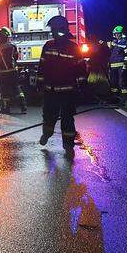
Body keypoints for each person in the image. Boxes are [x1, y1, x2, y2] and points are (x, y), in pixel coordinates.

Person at [37, 16, 88, 152]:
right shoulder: (48, 46)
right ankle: (47, 134)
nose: (53, 32)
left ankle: (68, 145)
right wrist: (39, 83)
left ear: (60, 30)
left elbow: (81, 70)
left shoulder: (73, 48)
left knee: (67, 119)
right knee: (49, 117)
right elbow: (42, 67)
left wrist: (83, 86)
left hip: (67, 92)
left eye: (54, 30)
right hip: (51, 91)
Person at [0, 27, 27, 114]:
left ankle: (6, 108)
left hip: (3, 73)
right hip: (13, 71)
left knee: (4, 91)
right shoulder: (13, 46)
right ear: (7, 36)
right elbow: (16, 57)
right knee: (16, 88)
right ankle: (23, 106)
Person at [103, 25, 127, 104]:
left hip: (121, 66)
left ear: (121, 33)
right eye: (115, 34)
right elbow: (109, 49)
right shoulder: (114, 42)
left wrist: (125, 66)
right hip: (113, 66)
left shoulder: (125, 42)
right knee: (113, 83)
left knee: (122, 82)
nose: (116, 35)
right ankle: (114, 98)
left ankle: (124, 99)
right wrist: (103, 43)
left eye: (118, 33)